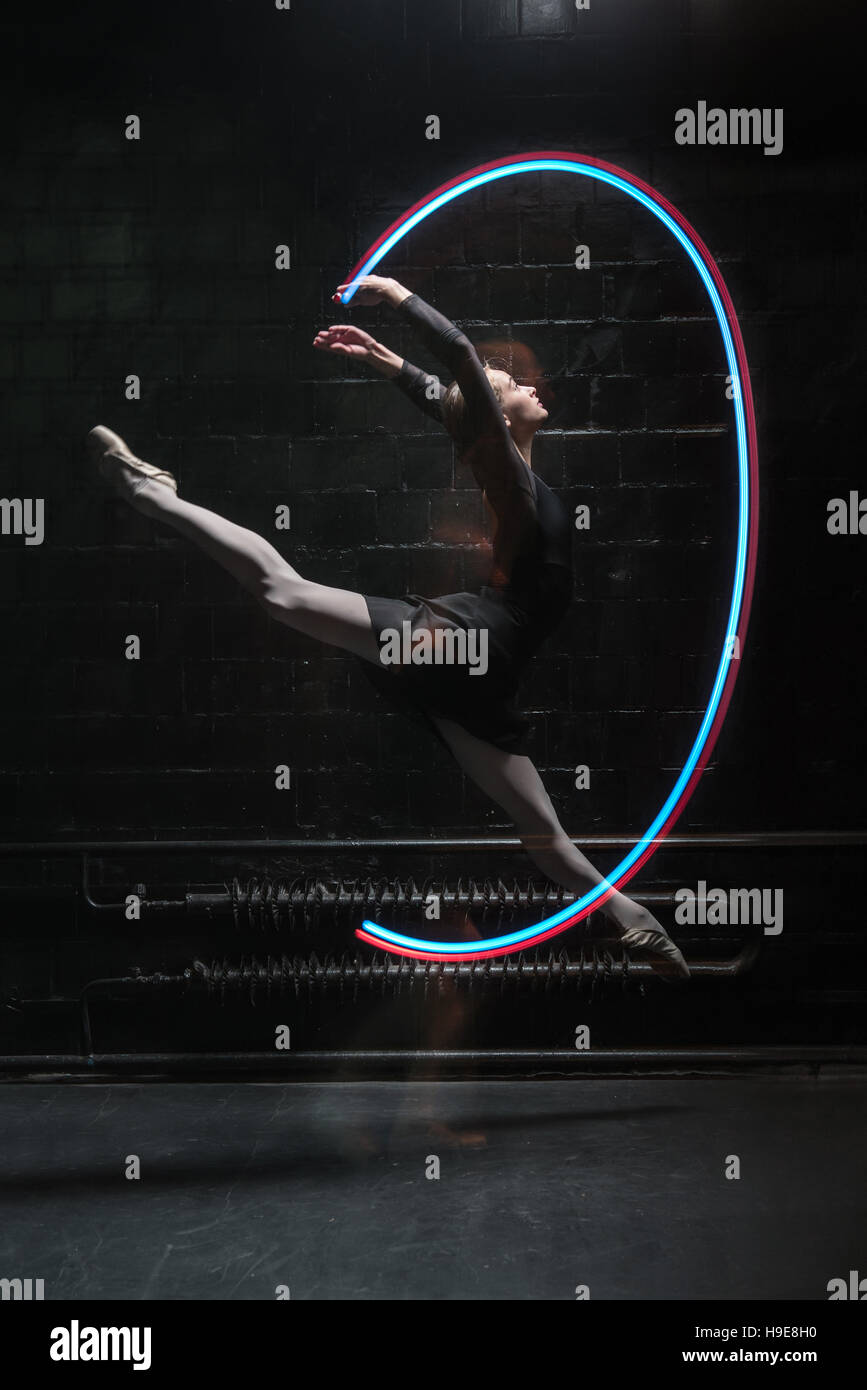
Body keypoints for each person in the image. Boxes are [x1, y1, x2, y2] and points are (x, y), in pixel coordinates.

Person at [88, 273, 689, 979]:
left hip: (477, 672)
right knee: (285, 594)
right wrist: (400, 298)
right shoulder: (516, 483)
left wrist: (384, 361)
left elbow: (453, 399)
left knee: (543, 830)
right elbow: (461, 361)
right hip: (467, 648)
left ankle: (636, 922)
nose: (534, 387)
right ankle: (151, 494)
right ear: (500, 412)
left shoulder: (515, 473)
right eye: (515, 384)